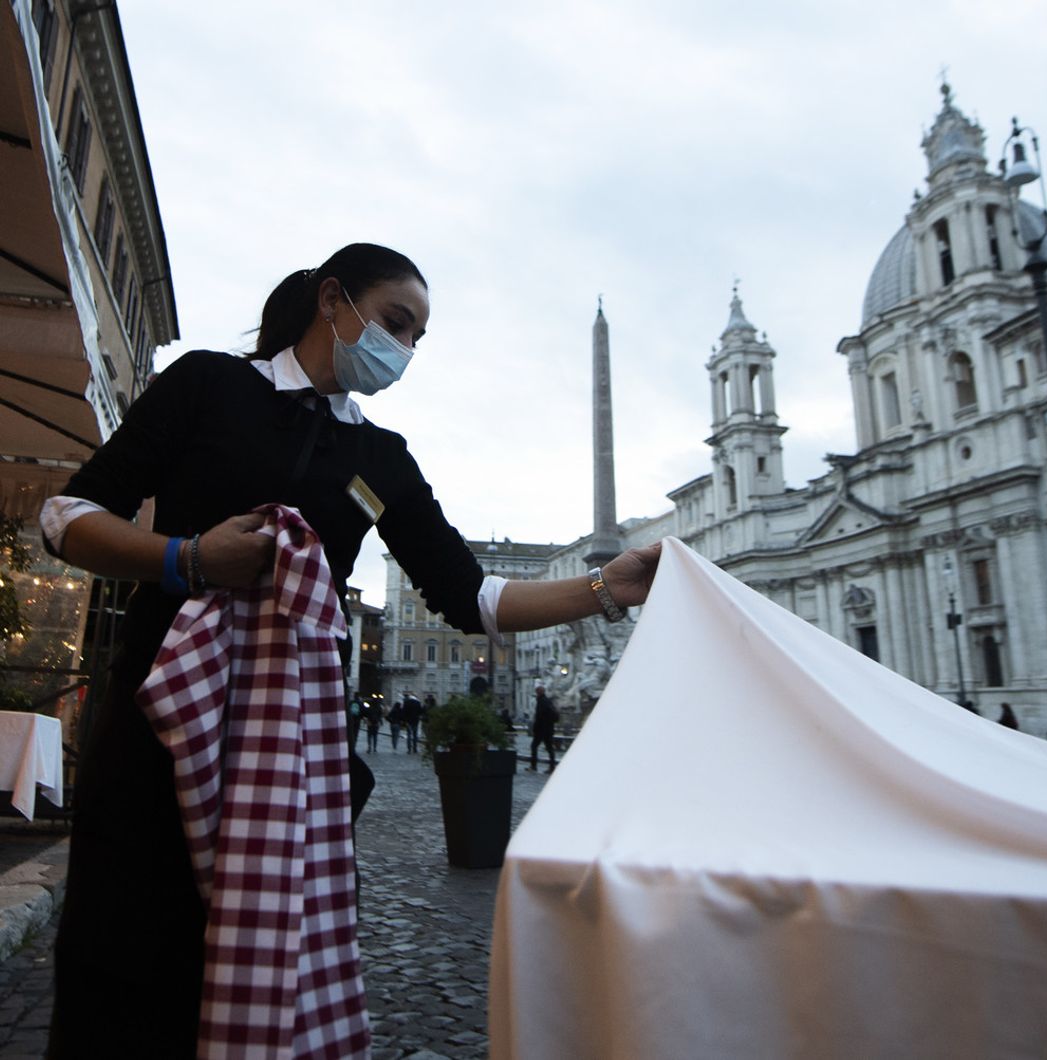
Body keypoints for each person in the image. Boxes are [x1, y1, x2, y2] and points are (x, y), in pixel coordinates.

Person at [39, 243, 662, 1057]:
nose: (403, 351)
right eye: (395, 324)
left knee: (266, 939)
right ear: (333, 301)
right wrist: (184, 558)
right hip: (161, 712)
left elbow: (472, 596)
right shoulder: (207, 384)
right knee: (127, 938)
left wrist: (606, 587)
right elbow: (67, 514)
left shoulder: (381, 460)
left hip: (293, 742)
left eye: (417, 340)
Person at [530, 683, 559, 772]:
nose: (536, 692)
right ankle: (552, 767)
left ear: (539, 692)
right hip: (549, 728)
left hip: (541, 729)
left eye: (537, 690)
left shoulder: (541, 702)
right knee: (549, 748)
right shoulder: (547, 701)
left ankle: (534, 766)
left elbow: (539, 716)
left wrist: (535, 727)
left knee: (534, 746)